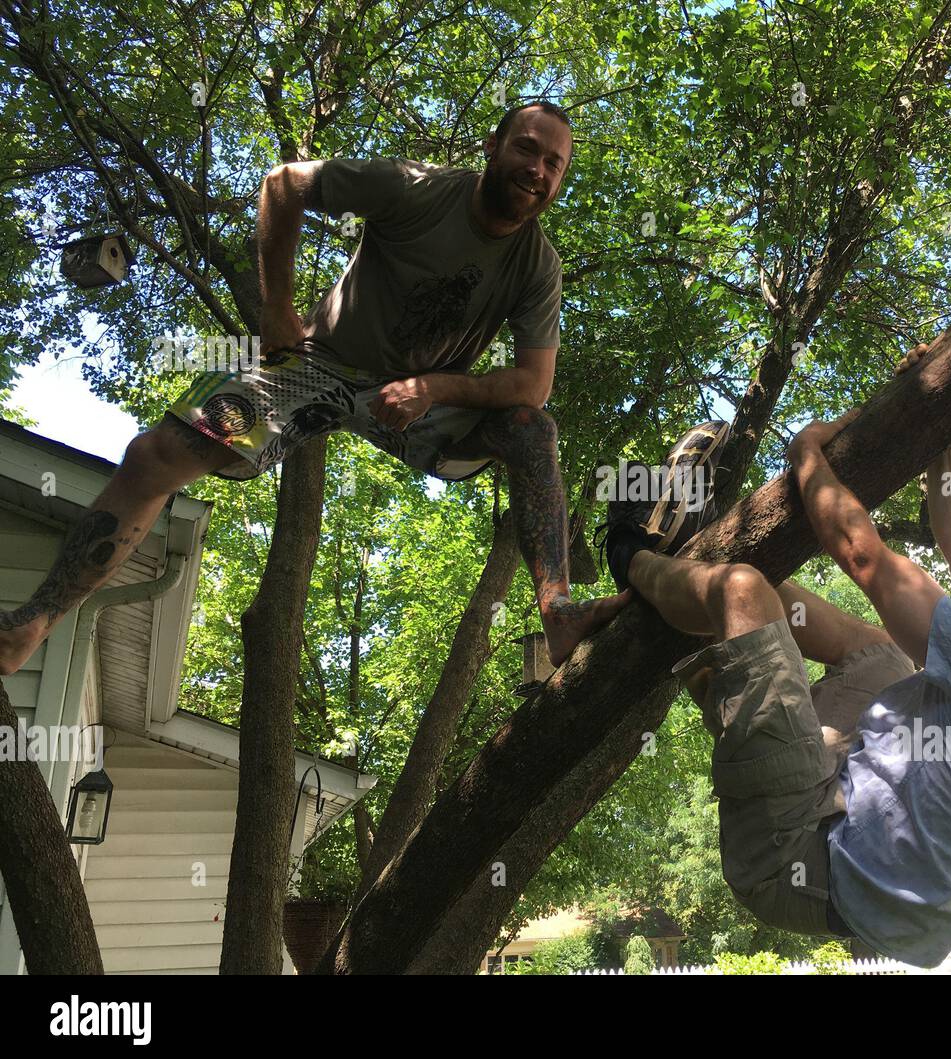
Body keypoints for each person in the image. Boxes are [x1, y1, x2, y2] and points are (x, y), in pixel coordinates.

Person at [0, 100, 628, 675]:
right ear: (493, 148)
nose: (537, 170)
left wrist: (433, 387)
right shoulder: (414, 188)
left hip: (423, 404)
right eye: (526, 148)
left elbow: (533, 384)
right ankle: (31, 626)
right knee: (152, 457)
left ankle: (559, 612)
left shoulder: (537, 265)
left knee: (531, 427)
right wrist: (277, 309)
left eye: (554, 164)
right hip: (318, 365)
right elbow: (283, 184)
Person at [597, 410, 951, 967]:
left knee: (743, 593)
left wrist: (807, 455)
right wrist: (947, 428)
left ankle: (630, 552)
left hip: (800, 860)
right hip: (855, 832)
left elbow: (862, 553)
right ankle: (704, 557)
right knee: (880, 653)